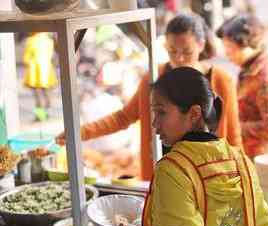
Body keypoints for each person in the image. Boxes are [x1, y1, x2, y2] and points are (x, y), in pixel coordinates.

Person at [114, 67, 268, 226]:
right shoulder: (239, 159)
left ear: (194, 114)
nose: (154, 124)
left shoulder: (173, 169)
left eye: (161, 112)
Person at [56, 13, 242, 181]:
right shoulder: (153, 77)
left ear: (201, 45)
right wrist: (78, 133)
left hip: (209, 176)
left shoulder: (222, 81)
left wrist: (239, 176)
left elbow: (233, 136)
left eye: (187, 51)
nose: (179, 58)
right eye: (172, 51)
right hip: (163, 172)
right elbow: (123, 117)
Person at [217, 14, 268, 159]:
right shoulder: (249, 67)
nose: (227, 54)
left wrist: (236, 127)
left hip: (266, 160)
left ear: (247, 45)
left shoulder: (267, 75)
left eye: (230, 48)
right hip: (251, 154)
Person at [23, 32, 58, 115]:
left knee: (37, 95)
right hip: (47, 69)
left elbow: (26, 58)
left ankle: (40, 115)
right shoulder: (49, 41)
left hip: (34, 71)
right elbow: (52, 55)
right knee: (47, 93)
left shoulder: (30, 40)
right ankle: (48, 112)